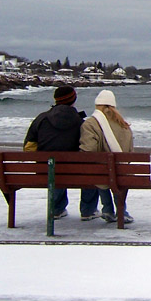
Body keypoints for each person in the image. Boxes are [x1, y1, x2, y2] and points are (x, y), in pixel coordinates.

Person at [23, 86, 93, 220]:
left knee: (54, 166)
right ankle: (88, 210)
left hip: (46, 171)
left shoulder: (41, 119)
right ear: (74, 99)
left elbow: (29, 147)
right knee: (91, 167)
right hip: (76, 172)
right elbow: (88, 148)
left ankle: (56, 209)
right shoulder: (81, 122)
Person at [79, 89, 135, 223]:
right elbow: (130, 151)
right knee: (115, 172)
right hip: (122, 173)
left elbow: (89, 151)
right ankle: (122, 210)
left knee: (100, 172)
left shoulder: (90, 124)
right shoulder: (124, 125)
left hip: (102, 174)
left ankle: (108, 209)